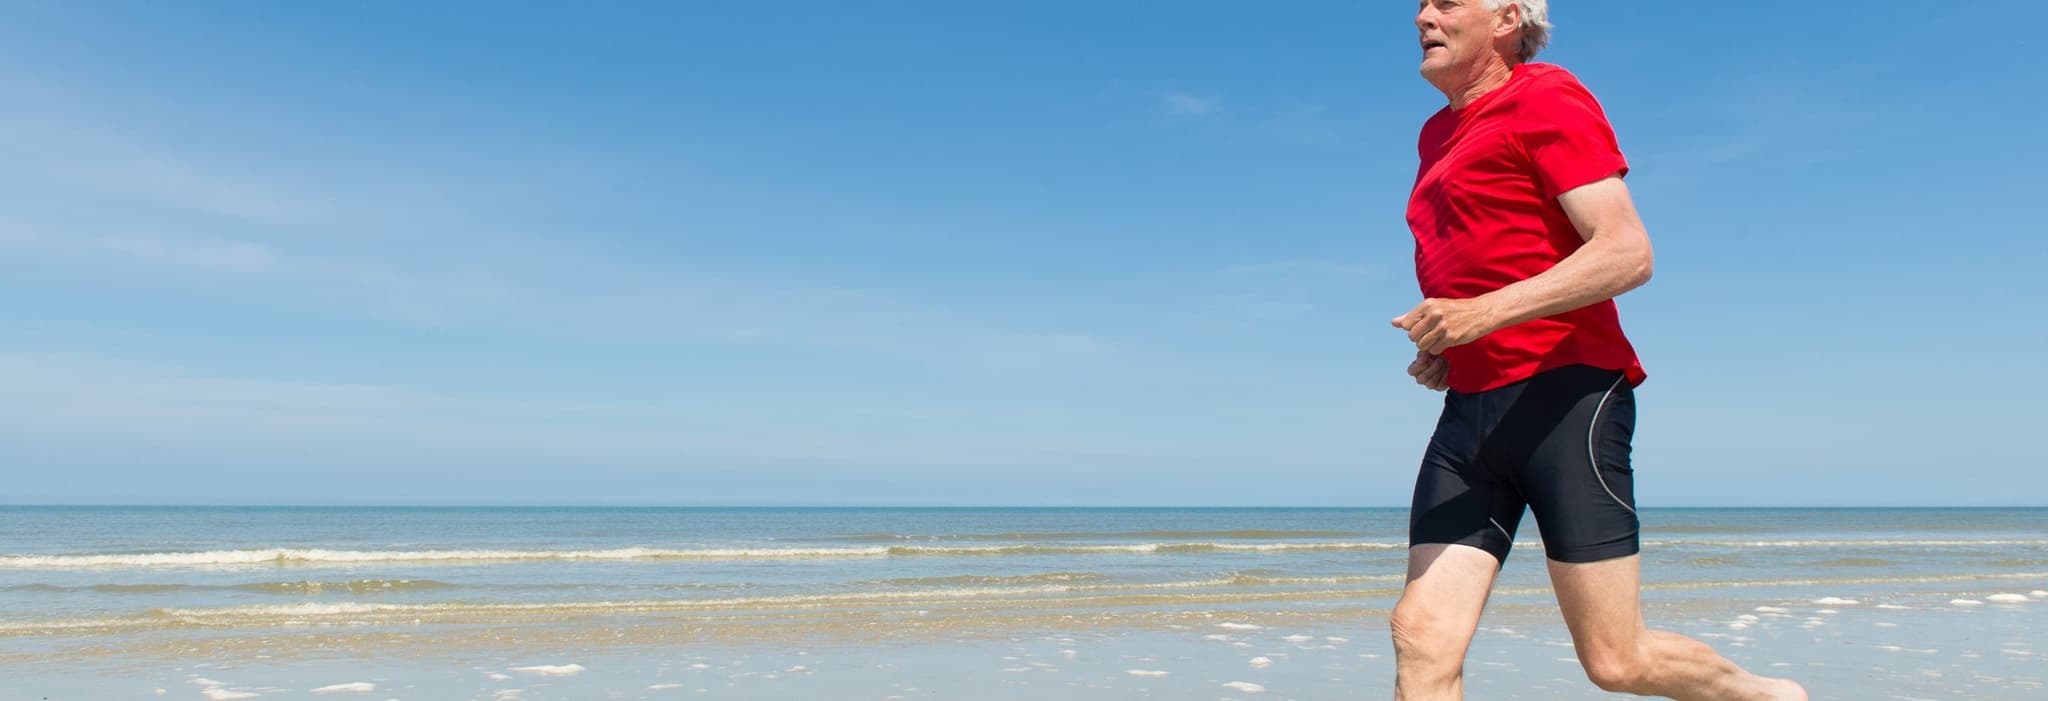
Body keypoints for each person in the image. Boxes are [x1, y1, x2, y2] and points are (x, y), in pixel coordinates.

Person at [1387, 2, 1807, 699]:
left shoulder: (1546, 95)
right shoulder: (1437, 133)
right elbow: (1484, 258)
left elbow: (1626, 251)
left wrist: (1483, 312)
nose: (1422, 14)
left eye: (1447, 1)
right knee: (1421, 632)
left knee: (1617, 660)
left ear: (1507, 18)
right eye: (1422, 5)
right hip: (1470, 411)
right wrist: (1450, 341)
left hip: (1563, 397)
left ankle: (1770, 696)